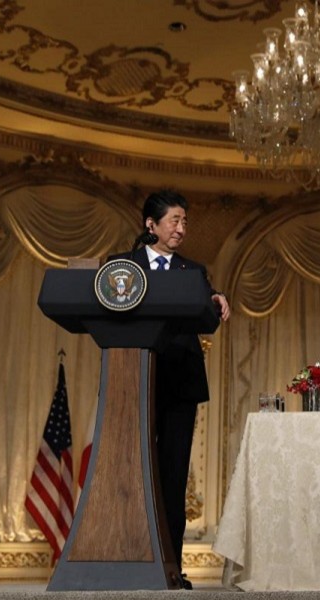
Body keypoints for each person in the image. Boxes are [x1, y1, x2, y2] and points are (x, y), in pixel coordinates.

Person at [109, 190, 230, 590]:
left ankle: (170, 568)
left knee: (173, 475)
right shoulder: (121, 266)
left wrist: (215, 296)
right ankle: (125, 558)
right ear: (151, 225)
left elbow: (207, 300)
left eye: (184, 221)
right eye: (174, 220)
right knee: (129, 471)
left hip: (178, 382)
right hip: (133, 381)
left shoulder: (191, 271)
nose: (181, 228)